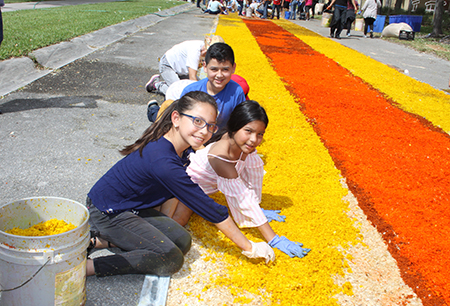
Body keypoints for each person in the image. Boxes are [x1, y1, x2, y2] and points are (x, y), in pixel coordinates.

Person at [86, 91, 275, 278]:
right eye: (198, 121)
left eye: (210, 126)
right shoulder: (163, 161)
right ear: (176, 118)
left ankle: (98, 241)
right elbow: (207, 207)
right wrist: (250, 247)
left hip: (131, 206)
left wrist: (162, 224)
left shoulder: (180, 149)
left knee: (182, 240)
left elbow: (171, 194)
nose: (204, 131)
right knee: (169, 258)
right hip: (107, 211)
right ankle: (88, 268)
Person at [163, 100, 311, 258]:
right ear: (234, 128)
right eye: (248, 131)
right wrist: (273, 239)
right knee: (176, 222)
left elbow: (254, 174)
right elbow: (243, 197)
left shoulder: (243, 143)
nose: (254, 139)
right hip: (187, 185)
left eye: (260, 134)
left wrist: (258, 206)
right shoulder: (221, 158)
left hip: (204, 190)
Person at [145, 35, 224, 96]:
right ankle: (157, 85)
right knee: (179, 93)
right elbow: (192, 78)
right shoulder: (195, 51)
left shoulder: (206, 54)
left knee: (202, 87)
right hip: (168, 65)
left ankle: (171, 81)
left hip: (182, 70)